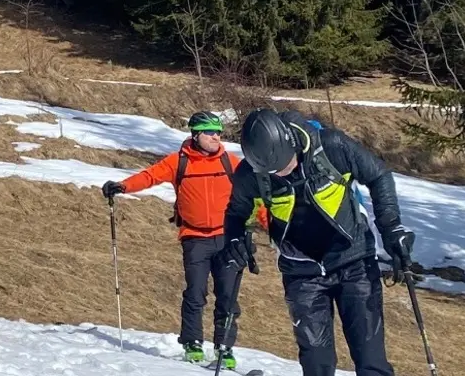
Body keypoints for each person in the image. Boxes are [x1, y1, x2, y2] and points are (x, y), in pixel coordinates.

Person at [223, 109, 415, 376]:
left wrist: (391, 228)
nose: (281, 173)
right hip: (301, 272)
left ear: (292, 143)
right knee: (316, 363)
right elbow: (236, 212)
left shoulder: (331, 146)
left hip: (354, 260)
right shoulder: (251, 173)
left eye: (284, 165)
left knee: (370, 358)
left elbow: (378, 175)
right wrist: (233, 239)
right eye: (273, 171)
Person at [102, 111, 250, 369]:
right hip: (194, 238)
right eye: (210, 132)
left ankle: (224, 347)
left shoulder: (231, 162)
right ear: (195, 135)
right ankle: (192, 343)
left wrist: (272, 227)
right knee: (195, 292)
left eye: (218, 132)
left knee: (227, 295)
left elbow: (252, 193)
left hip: (227, 239)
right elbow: (150, 176)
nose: (217, 137)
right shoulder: (178, 162)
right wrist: (123, 186)